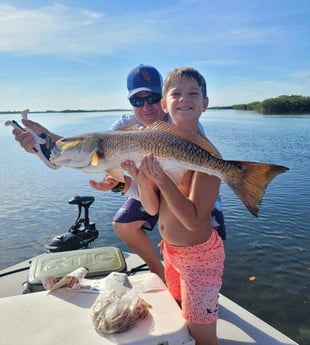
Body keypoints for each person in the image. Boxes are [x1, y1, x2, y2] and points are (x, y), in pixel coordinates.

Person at [12, 65, 226, 284]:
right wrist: (45, 143)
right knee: (123, 223)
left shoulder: (182, 121)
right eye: (137, 101)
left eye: (151, 98)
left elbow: (184, 182)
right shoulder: (124, 126)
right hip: (153, 184)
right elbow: (90, 149)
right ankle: (159, 272)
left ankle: (204, 267)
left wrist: (131, 183)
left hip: (187, 191)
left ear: (163, 100)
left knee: (196, 228)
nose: (146, 107)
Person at [123, 67, 225, 345]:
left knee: (202, 336)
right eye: (176, 94)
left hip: (199, 260)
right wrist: (143, 178)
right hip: (171, 252)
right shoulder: (161, 148)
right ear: (164, 105)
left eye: (193, 93)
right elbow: (153, 209)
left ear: (205, 103)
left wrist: (161, 179)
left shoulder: (207, 155)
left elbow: (194, 221)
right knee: (181, 319)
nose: (184, 99)